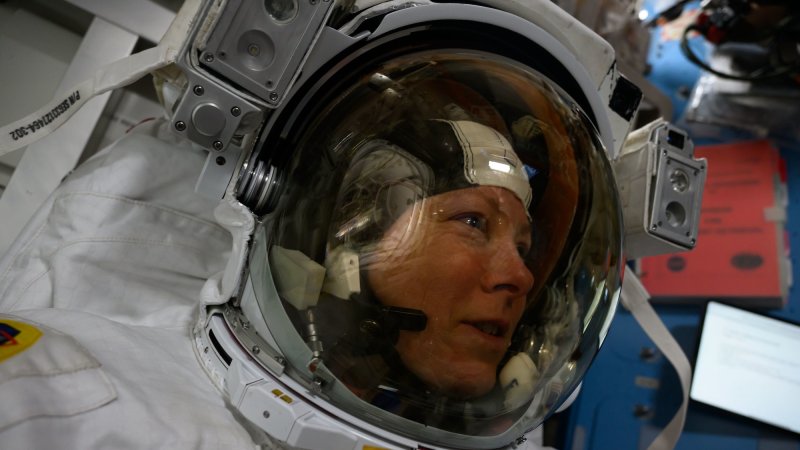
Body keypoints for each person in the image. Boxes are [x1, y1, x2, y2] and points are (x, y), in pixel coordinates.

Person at [0, 0, 632, 448]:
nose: (520, 276)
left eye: (525, 248)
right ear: (347, 241)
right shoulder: (71, 399)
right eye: (473, 222)